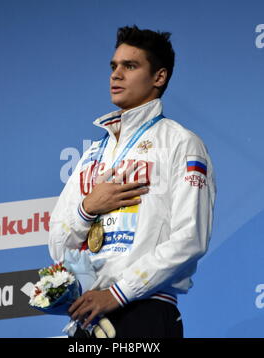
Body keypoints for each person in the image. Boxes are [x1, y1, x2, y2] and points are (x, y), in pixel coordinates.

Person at [48, 25, 216, 338]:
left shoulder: (182, 143)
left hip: (144, 309)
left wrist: (118, 293)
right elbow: (58, 245)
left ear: (159, 77)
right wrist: (87, 208)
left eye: (130, 66)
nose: (116, 75)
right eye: (114, 66)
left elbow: (190, 238)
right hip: (88, 315)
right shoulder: (92, 154)